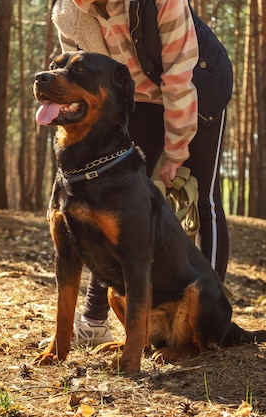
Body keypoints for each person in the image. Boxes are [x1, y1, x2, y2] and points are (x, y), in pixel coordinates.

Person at [44, 0, 232, 347]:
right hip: (137, 94)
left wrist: (176, 152)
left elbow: (179, 80)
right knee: (116, 202)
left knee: (203, 195)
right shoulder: (68, 12)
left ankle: (211, 309)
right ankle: (95, 319)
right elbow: (78, 77)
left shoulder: (163, 2)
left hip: (197, 82)